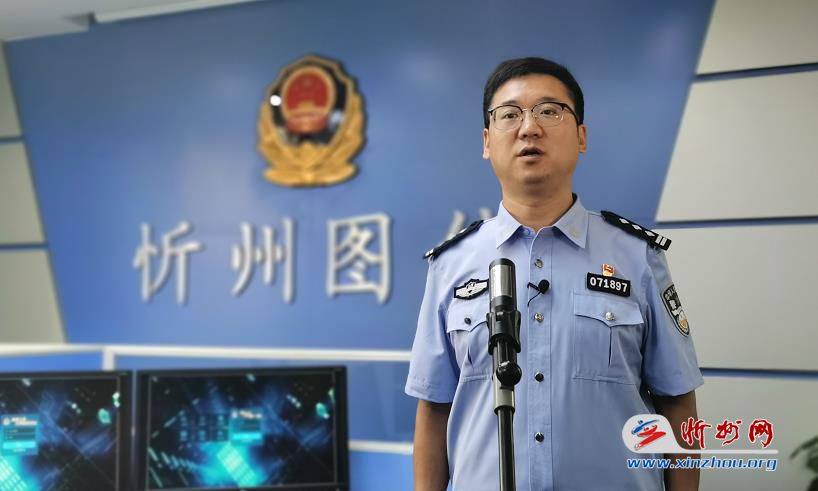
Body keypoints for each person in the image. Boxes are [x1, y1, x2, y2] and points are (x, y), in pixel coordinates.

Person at [405, 57, 703, 490]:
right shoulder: (451, 265)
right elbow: (434, 410)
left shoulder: (637, 257)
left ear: (581, 136)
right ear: (487, 141)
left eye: (549, 111)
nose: (529, 128)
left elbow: (677, 403)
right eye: (510, 115)